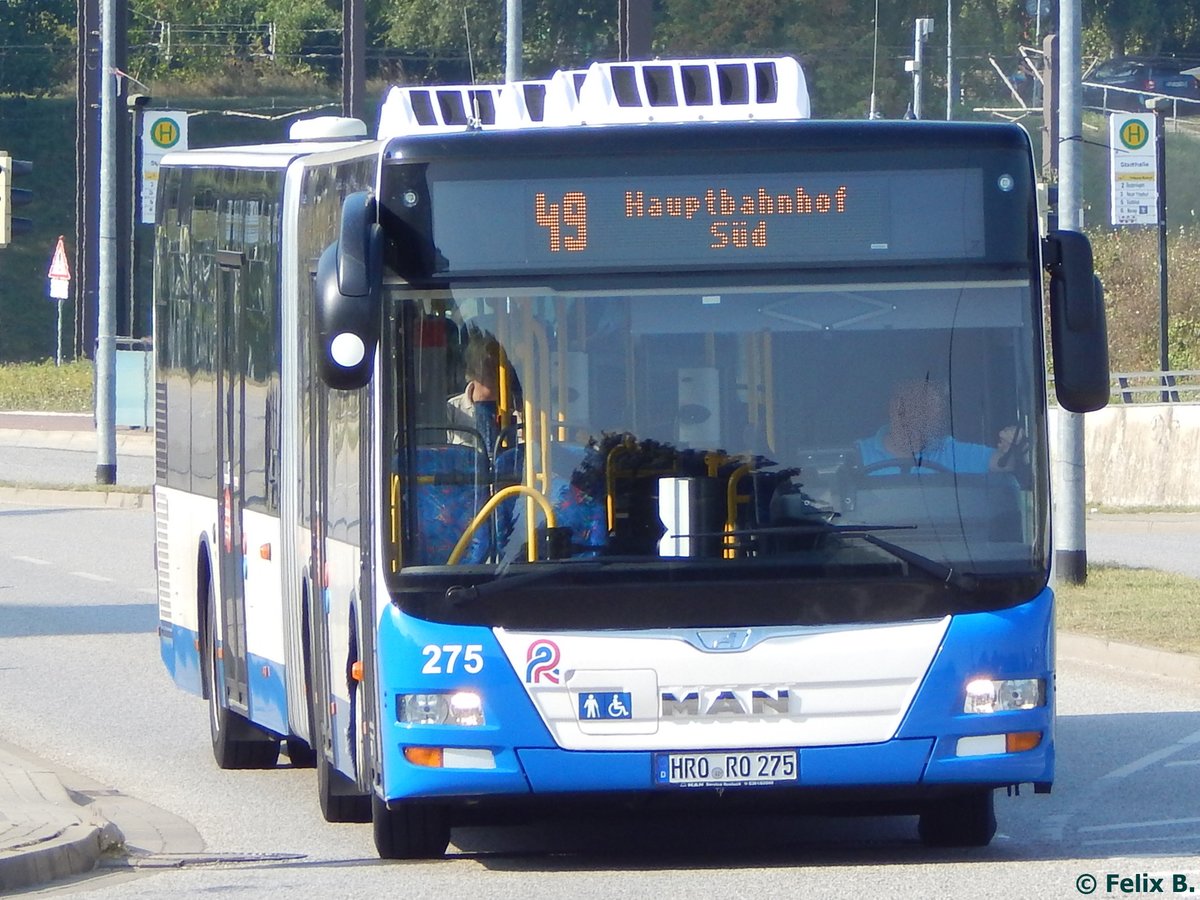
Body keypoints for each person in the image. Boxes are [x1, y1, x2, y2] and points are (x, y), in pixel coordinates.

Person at [857, 378, 1025, 474]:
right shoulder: (857, 455)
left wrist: (1012, 443)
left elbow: (1004, 464)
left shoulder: (949, 451)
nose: (928, 417)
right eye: (921, 407)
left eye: (933, 410)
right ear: (896, 408)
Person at [447, 328, 514, 455]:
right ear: (473, 369)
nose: (493, 370)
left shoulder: (519, 410)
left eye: (498, 365)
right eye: (486, 364)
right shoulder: (452, 410)